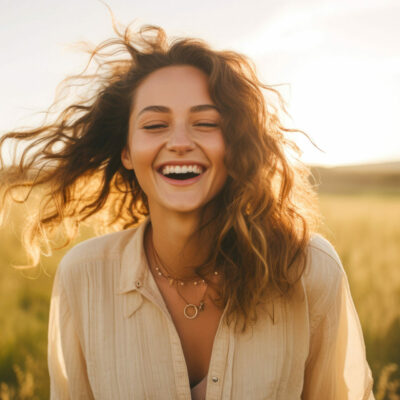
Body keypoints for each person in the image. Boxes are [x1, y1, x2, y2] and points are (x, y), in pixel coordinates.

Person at [0, 23, 374, 399]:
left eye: (206, 123)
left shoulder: (308, 269)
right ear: (127, 151)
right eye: (155, 125)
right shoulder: (83, 277)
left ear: (233, 145)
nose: (179, 142)